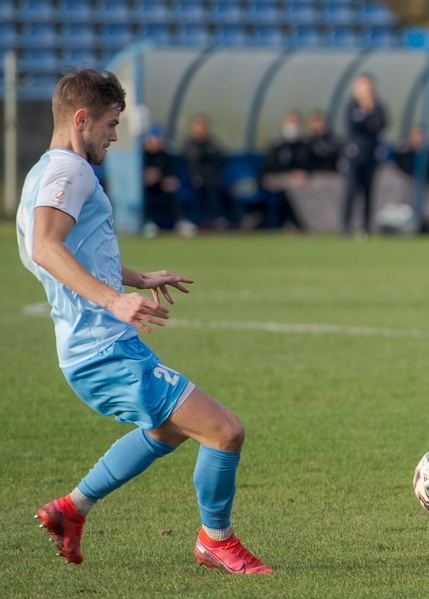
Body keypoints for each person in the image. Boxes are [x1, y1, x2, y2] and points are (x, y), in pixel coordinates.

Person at [16, 68, 272, 574]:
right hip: (102, 348)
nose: (115, 136)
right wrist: (113, 300)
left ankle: (71, 509)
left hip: (90, 348)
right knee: (225, 431)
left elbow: (57, 251)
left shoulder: (43, 172)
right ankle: (215, 541)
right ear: (82, 118)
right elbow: (46, 249)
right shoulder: (73, 170)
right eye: (111, 124)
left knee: (170, 429)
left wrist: (134, 277)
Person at [339, 73, 388, 237]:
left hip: (370, 155)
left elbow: (381, 124)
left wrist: (369, 112)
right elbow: (354, 125)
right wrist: (367, 118)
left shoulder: (377, 106)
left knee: (368, 193)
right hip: (353, 155)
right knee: (350, 190)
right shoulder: (352, 105)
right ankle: (345, 227)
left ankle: (366, 227)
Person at [182, 113, 236, 230]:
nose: (202, 129)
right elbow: (194, 159)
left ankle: (238, 220)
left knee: (228, 189)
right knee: (211, 186)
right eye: (199, 126)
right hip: (196, 179)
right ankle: (216, 219)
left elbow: (221, 157)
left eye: (204, 126)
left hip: (215, 178)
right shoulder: (190, 143)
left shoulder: (212, 142)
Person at [142, 123, 195, 238]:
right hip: (147, 188)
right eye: (153, 140)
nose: (156, 143)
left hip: (162, 186)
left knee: (172, 190)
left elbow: (171, 174)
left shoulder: (167, 156)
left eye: (159, 140)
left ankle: (181, 222)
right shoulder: (141, 156)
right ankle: (147, 223)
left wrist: (166, 180)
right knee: (146, 193)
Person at [258, 110, 308, 229]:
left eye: (296, 122)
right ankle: (289, 221)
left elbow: (305, 163)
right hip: (274, 177)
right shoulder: (276, 143)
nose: (294, 126)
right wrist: (291, 173)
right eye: (291, 122)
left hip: (296, 179)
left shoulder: (302, 144)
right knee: (293, 185)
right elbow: (271, 165)